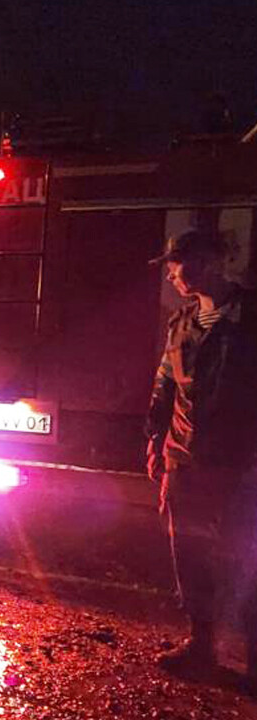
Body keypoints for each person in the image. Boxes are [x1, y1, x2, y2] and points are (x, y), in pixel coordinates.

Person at [145, 228, 257, 682]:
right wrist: (156, 441)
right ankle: (201, 644)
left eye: (179, 262)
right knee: (188, 551)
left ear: (213, 260)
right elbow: (165, 387)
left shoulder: (251, 318)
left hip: (242, 465)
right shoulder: (181, 322)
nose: (172, 272)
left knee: (246, 557)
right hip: (185, 459)